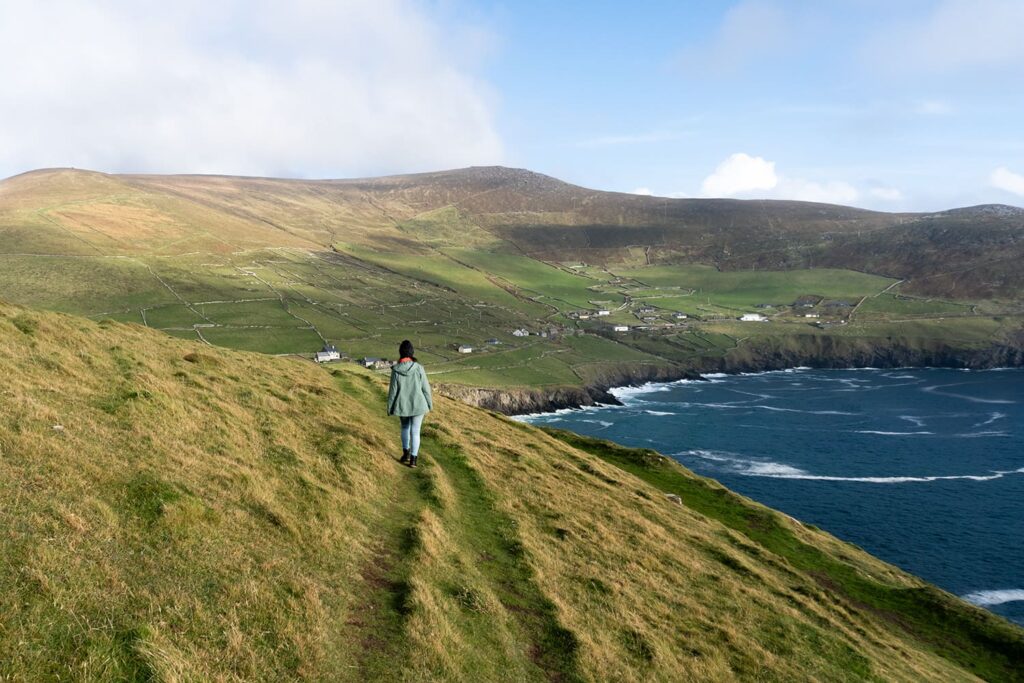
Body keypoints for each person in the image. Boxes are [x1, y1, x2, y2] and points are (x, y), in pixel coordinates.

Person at [386, 340, 432, 468]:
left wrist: (390, 408)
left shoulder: (396, 370)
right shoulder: (419, 368)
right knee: (415, 431)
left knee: (405, 428)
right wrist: (429, 404)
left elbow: (392, 391)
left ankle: (405, 454)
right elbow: (426, 389)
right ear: (412, 352)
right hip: (419, 405)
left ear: (400, 352)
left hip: (403, 405)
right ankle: (413, 460)